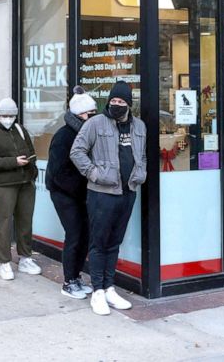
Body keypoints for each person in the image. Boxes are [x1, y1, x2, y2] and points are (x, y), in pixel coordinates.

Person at [70, 81, 147, 315]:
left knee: (115, 242)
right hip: (102, 193)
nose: (116, 105)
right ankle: (98, 291)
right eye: (113, 101)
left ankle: (109, 286)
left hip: (127, 192)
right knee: (99, 243)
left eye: (121, 102)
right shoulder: (95, 123)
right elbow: (77, 151)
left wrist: (140, 172)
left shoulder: (139, 127)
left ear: (129, 104)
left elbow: (141, 155)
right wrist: (93, 173)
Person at [0, 98, 41, 280]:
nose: (8, 119)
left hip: (25, 182)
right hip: (3, 185)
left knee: (25, 221)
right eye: (5, 115)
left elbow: (31, 151)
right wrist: (14, 162)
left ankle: (25, 257)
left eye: (11, 116)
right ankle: (4, 261)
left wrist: (32, 170)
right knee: (3, 223)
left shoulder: (21, 130)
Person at [47, 87, 97, 299]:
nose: (93, 118)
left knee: (84, 235)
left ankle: (76, 276)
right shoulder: (63, 136)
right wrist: (81, 188)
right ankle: (69, 281)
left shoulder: (88, 133)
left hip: (81, 193)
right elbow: (59, 172)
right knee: (75, 234)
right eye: (89, 114)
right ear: (78, 114)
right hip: (64, 194)